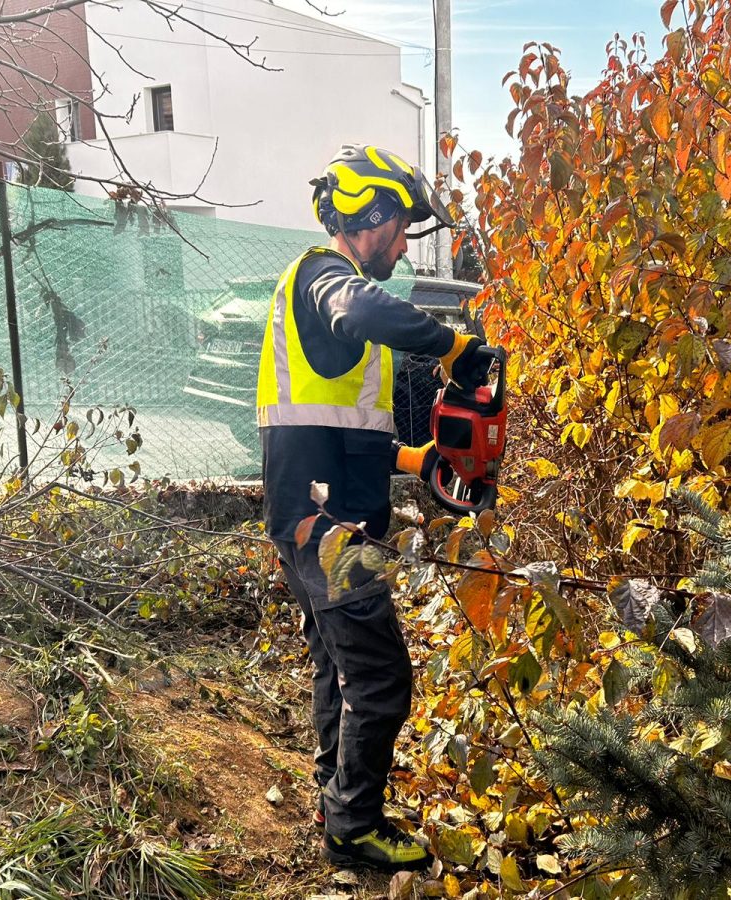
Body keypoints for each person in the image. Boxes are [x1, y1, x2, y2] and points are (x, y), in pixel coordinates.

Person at [256, 144, 492, 871]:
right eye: (401, 228)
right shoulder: (329, 280)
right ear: (372, 213)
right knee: (384, 678)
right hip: (330, 532)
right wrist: (453, 347)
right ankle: (354, 825)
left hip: (310, 518)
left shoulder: (326, 301)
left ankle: (338, 795)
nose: (403, 246)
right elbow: (360, 310)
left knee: (340, 668)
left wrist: (419, 460)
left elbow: (343, 433)